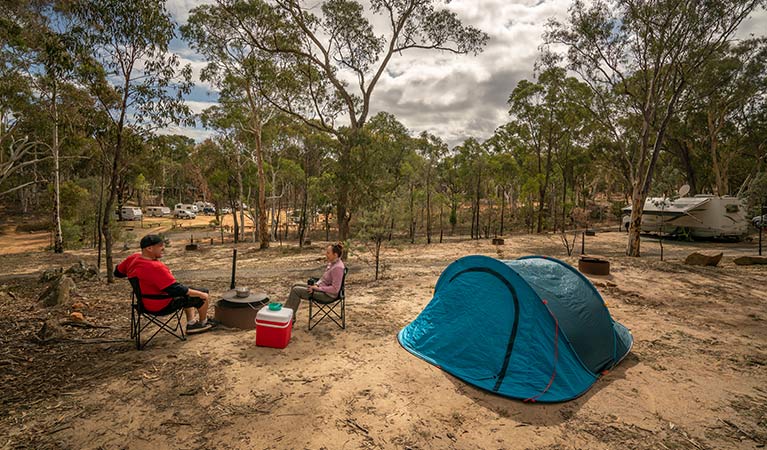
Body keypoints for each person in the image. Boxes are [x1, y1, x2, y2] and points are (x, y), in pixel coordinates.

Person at [114, 234, 214, 334]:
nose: (163, 248)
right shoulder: (155, 267)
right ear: (149, 248)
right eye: (160, 246)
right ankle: (203, 323)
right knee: (201, 293)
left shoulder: (133, 258)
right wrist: (202, 294)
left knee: (189, 290)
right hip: (161, 306)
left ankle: (191, 323)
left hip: (143, 304)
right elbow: (175, 289)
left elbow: (117, 273)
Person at [285, 242, 346, 321]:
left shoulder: (337, 268)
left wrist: (317, 288)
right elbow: (323, 279)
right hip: (321, 289)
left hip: (328, 296)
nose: (326, 254)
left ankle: (288, 318)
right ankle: (286, 313)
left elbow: (335, 289)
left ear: (335, 255)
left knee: (296, 290)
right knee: (295, 285)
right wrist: (316, 285)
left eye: (328, 253)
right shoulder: (332, 263)